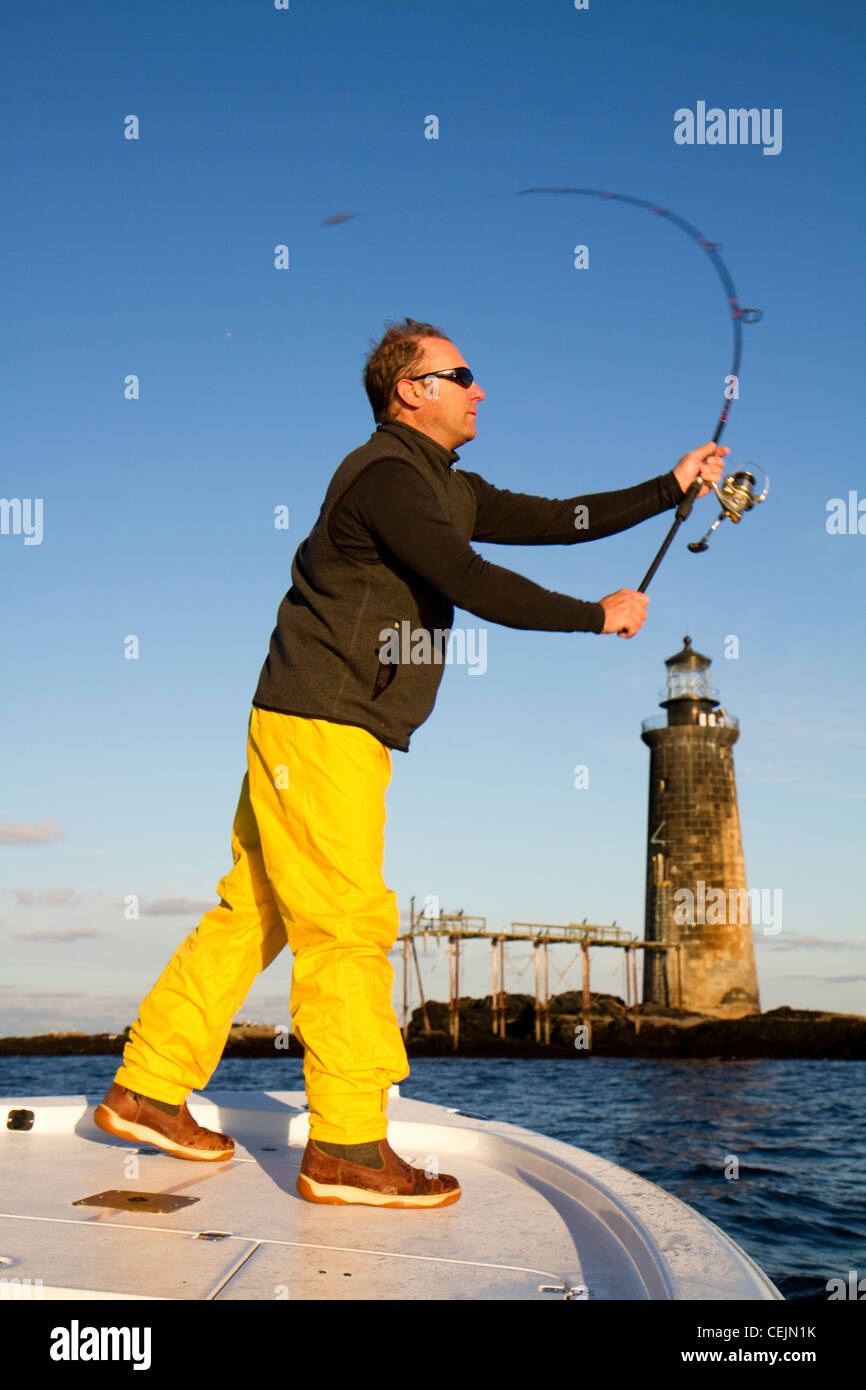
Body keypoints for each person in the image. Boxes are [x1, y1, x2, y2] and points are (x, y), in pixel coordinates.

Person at [94, 317, 727, 1209]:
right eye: (460, 373)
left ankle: (148, 1088)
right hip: (326, 721)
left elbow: (559, 520)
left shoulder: (440, 485)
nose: (479, 389)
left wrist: (671, 486)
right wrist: (596, 616)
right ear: (409, 391)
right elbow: (469, 579)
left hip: (311, 720)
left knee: (258, 909)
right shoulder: (389, 478)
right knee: (349, 923)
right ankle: (348, 1146)